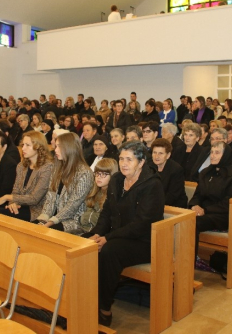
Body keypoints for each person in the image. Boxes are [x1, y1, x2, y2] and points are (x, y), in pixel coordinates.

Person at [85, 141, 165, 326]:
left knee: (109, 251)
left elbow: (142, 224)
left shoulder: (152, 185)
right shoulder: (117, 180)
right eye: (121, 159)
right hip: (120, 236)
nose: (124, 163)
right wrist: (97, 234)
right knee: (83, 242)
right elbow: (107, 212)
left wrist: (108, 238)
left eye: (129, 159)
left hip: (144, 241)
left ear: (141, 162)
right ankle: (82, 300)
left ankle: (104, 310)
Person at [189, 141, 232, 255]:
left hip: (221, 214)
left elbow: (228, 202)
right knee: (180, 220)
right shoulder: (206, 172)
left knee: (191, 223)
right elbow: (198, 194)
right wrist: (195, 205)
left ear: (225, 155)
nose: (212, 156)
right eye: (212, 152)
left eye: (217, 153)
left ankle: (188, 264)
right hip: (203, 211)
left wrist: (205, 210)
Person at [0, 131, 54, 222]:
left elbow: (34, 198)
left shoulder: (47, 167)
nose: (23, 148)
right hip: (20, 206)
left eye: (27, 145)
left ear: (38, 146)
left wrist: (7, 197)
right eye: (23, 145)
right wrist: (13, 203)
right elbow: (16, 190)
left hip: (36, 210)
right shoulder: (21, 166)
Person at [36, 132, 94, 233]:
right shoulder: (57, 167)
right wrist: (43, 219)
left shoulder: (84, 172)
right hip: (54, 218)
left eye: (59, 146)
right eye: (56, 146)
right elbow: (50, 197)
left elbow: (72, 206)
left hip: (74, 221)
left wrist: (50, 223)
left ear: (69, 148)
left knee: (45, 232)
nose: (56, 149)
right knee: (33, 228)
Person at [77, 158, 118, 234]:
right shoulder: (94, 192)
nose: (99, 177)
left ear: (112, 175)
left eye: (104, 174)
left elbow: (102, 221)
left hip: (97, 233)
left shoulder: (112, 196)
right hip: (83, 228)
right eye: (97, 173)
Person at [151, 138, 188, 208]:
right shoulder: (149, 167)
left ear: (168, 155)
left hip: (174, 207)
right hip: (154, 204)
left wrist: (154, 204)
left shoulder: (176, 169)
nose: (156, 156)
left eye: (160, 153)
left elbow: (173, 195)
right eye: (154, 152)